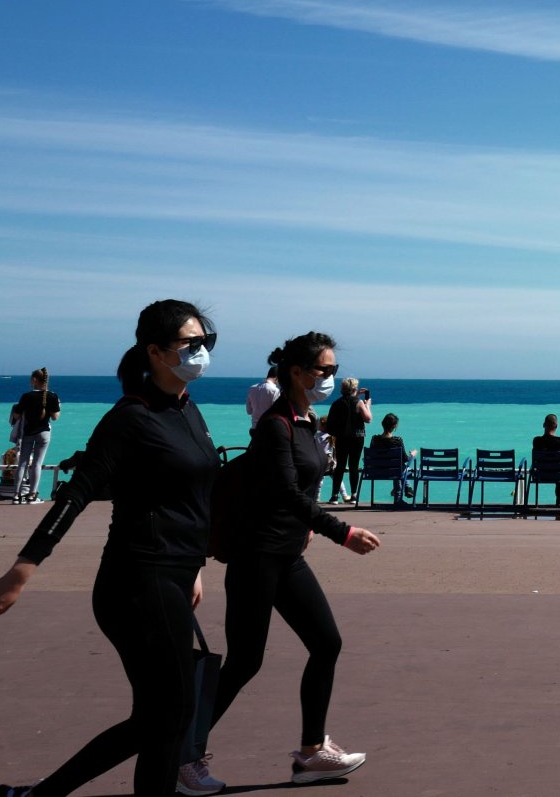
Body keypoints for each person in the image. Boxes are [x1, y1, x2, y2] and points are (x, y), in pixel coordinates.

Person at [0, 299, 222, 797]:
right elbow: (77, 492)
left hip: (174, 575)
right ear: (154, 351)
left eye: (206, 343)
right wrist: (22, 569)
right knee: (170, 714)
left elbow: (190, 498)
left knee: (160, 716)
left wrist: (195, 567)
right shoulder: (131, 417)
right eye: (190, 344)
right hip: (136, 580)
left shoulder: (187, 410)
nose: (201, 353)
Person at [204, 332, 381, 786]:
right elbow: (283, 491)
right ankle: (182, 755)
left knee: (326, 643)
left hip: (287, 556)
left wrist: (307, 529)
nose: (330, 378)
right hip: (256, 556)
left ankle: (311, 752)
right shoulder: (275, 425)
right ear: (297, 373)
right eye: (325, 370)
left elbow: (302, 488)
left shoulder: (307, 422)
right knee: (245, 662)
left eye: (334, 371)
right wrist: (342, 532)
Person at [8, 368, 61, 504]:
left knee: (22, 463)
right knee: (37, 464)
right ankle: (32, 495)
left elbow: (17, 416)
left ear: (35, 380)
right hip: (44, 433)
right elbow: (55, 417)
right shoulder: (53, 396)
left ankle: (16, 495)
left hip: (27, 433)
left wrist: (16, 409)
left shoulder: (26, 396)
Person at [325, 377, 372, 504]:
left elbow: (330, 423)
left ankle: (334, 496)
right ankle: (354, 495)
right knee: (354, 466)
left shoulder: (336, 403)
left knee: (340, 465)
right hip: (357, 438)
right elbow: (368, 419)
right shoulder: (359, 403)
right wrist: (367, 405)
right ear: (354, 389)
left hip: (341, 437)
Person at [367, 412, 415, 501]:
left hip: (376, 471)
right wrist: (412, 455)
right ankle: (406, 489)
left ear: (383, 424)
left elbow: (371, 456)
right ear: (395, 426)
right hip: (394, 471)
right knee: (402, 466)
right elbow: (404, 459)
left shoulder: (374, 439)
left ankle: (401, 490)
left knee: (396, 467)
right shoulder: (398, 441)